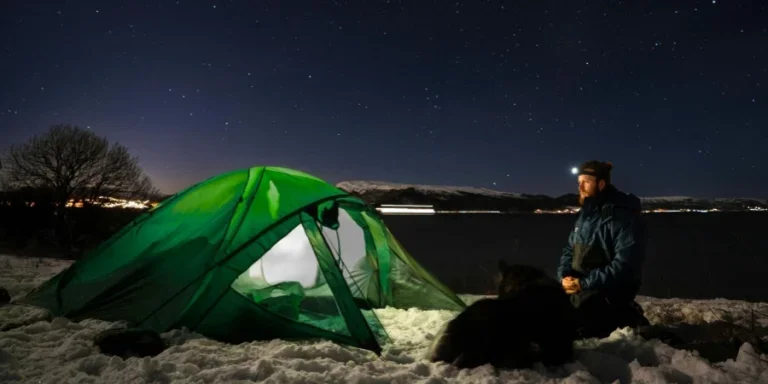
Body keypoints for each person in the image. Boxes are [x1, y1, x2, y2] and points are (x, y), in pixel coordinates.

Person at [557, 160, 650, 338]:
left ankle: (627, 316)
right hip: (580, 289)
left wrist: (583, 283)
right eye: (579, 182)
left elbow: (625, 265)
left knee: (566, 328)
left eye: (586, 182)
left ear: (601, 184)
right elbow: (570, 249)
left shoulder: (622, 216)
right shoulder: (586, 215)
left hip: (606, 293)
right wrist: (564, 276)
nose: (580, 187)